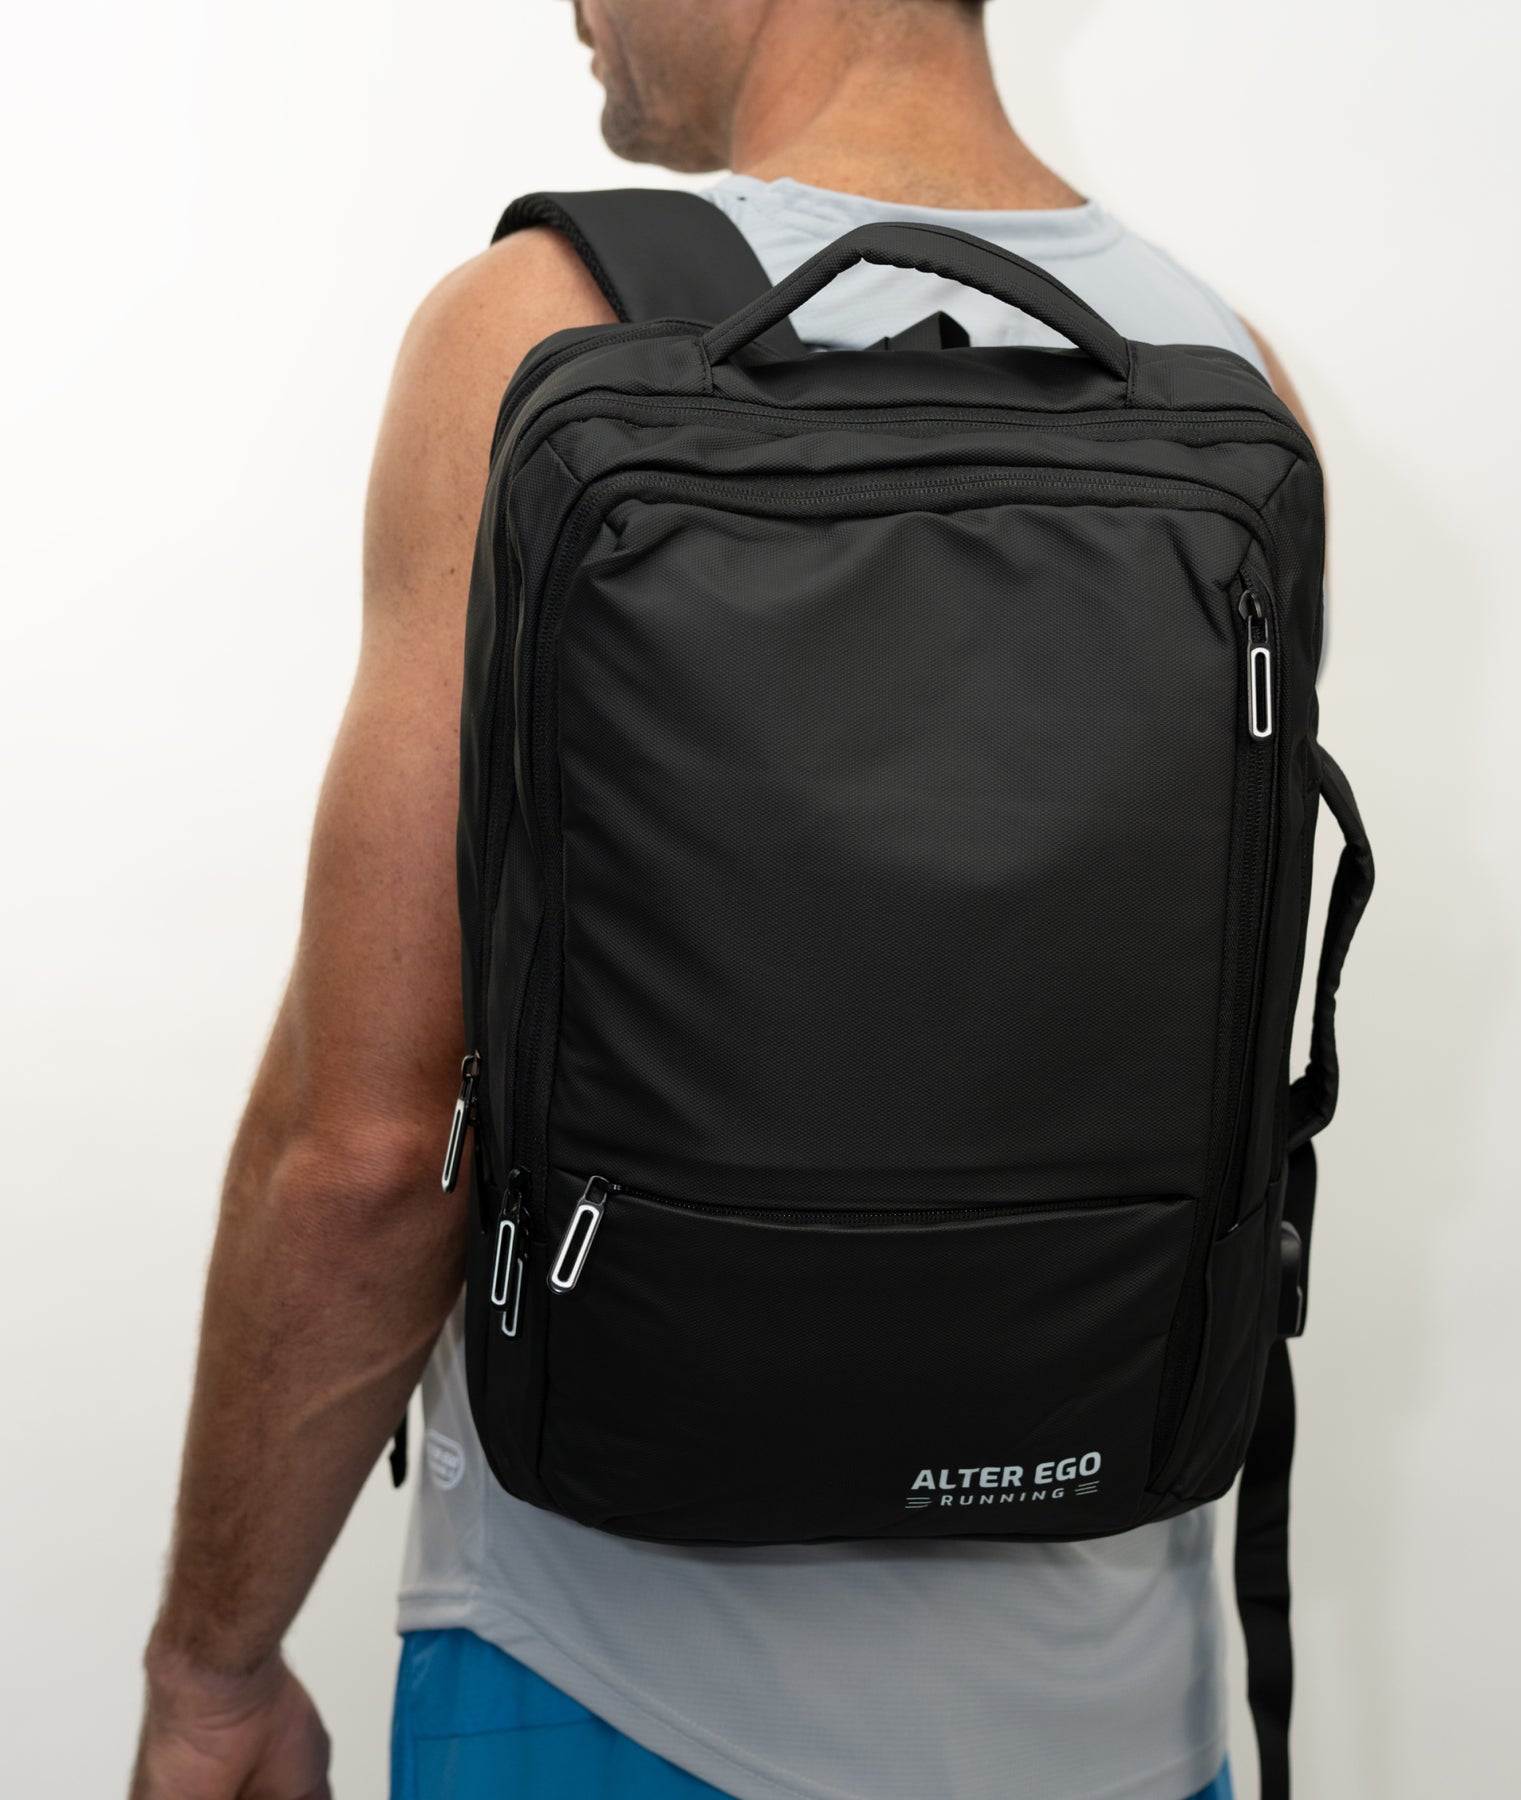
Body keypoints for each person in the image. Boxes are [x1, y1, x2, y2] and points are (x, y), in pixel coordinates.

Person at [131, 3, 1316, 1797]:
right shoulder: (1220, 374)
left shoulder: (543, 333)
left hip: (617, 1702)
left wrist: (212, 1671)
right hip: (1128, 1722)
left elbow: (371, 1151)